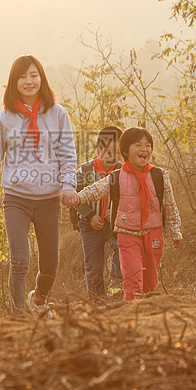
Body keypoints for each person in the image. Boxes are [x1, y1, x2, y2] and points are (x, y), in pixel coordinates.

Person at [0, 55, 77, 315]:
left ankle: (38, 299)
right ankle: (18, 315)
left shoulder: (58, 114)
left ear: (41, 78)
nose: (29, 81)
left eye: (34, 75)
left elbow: (67, 155)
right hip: (15, 198)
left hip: (50, 198)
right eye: (22, 76)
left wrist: (68, 185)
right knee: (19, 260)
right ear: (14, 82)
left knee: (50, 266)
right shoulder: (4, 118)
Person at [62, 126, 183, 301]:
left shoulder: (159, 176)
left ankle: (144, 307)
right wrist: (75, 200)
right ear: (125, 150)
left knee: (150, 279)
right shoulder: (108, 175)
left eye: (148, 145)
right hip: (123, 232)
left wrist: (175, 229)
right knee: (127, 276)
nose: (144, 149)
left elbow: (169, 204)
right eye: (138, 145)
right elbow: (94, 191)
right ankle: (119, 307)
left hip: (152, 232)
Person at [76, 125, 123, 298]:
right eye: (109, 152)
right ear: (98, 149)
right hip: (89, 225)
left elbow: (129, 196)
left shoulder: (122, 171)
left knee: (123, 248)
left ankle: (116, 286)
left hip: (115, 223)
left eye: (117, 153)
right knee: (94, 265)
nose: (113, 157)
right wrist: (90, 215)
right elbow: (76, 198)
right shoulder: (85, 171)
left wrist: (117, 210)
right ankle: (97, 299)